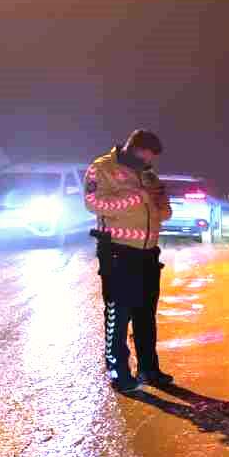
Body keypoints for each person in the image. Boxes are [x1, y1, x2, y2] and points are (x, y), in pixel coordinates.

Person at [84, 128, 174, 392]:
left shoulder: (148, 174)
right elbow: (93, 203)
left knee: (146, 314)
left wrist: (161, 203)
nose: (150, 162)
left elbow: (164, 213)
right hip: (118, 251)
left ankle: (149, 369)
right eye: (148, 156)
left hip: (148, 252)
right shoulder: (102, 168)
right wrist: (138, 197)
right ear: (134, 148)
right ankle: (118, 372)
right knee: (118, 312)